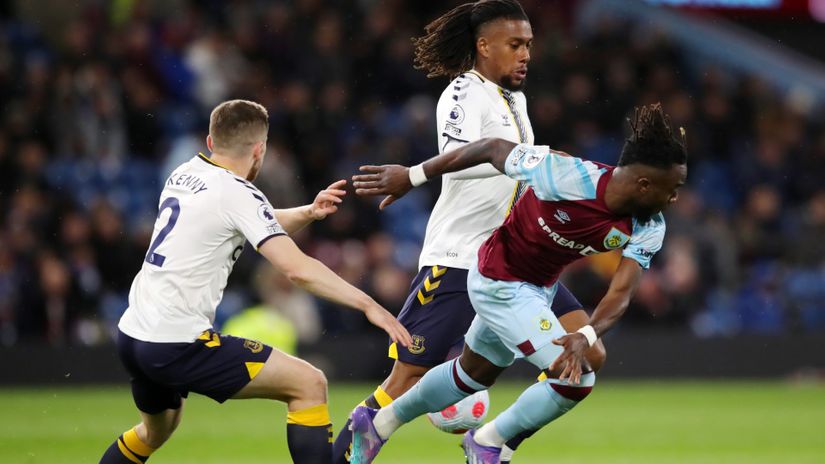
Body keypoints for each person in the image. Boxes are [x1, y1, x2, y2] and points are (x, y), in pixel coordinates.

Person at [331, 2, 606, 462]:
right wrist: (527, 158)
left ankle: (492, 440)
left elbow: (515, 166)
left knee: (588, 354)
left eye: (529, 46)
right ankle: (344, 452)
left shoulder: (515, 100)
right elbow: (460, 156)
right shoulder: (463, 93)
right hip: (459, 257)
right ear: (484, 46)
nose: (525, 55)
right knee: (404, 381)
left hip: (520, 261)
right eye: (515, 45)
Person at [349, 103, 687, 463]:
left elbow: (620, 293)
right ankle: (489, 442)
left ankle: (377, 423)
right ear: (644, 184)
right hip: (497, 280)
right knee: (576, 378)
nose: (675, 198)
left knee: (471, 375)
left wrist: (584, 335)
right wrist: (413, 176)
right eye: (673, 188)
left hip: (540, 289)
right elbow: (491, 148)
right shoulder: (565, 175)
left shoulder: (649, 226)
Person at [98, 99, 411, 464]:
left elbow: (247, 220)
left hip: (134, 335)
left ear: (211, 142)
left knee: (154, 432)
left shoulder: (186, 172)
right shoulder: (238, 193)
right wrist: (369, 304)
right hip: (176, 342)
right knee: (309, 384)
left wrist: (307, 212)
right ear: (260, 149)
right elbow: (297, 268)